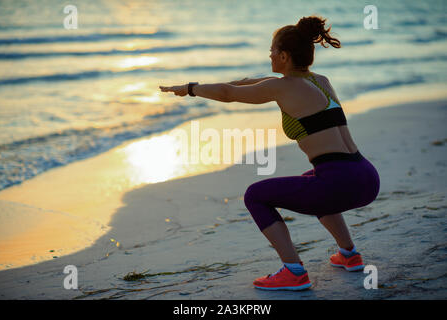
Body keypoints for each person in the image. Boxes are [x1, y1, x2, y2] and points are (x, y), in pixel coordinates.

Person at [159, 15, 380, 291]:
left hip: (339, 184)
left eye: (273, 50)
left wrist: (190, 89)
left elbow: (230, 93)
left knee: (255, 195)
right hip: (366, 177)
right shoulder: (320, 81)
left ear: (285, 56)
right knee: (310, 180)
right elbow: (251, 83)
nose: (269, 55)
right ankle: (349, 255)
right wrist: (232, 83)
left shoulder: (282, 87)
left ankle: (294, 271)